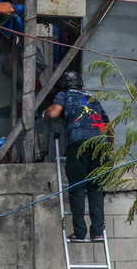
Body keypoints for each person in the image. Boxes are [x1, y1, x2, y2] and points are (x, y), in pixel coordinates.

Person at [43, 70, 114, 243]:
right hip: (100, 144)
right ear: (82, 86)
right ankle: (97, 232)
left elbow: (54, 114)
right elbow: (109, 126)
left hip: (79, 142)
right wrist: (110, 147)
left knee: (77, 187)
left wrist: (45, 113)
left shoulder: (64, 95)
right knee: (96, 187)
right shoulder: (92, 98)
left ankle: (79, 232)